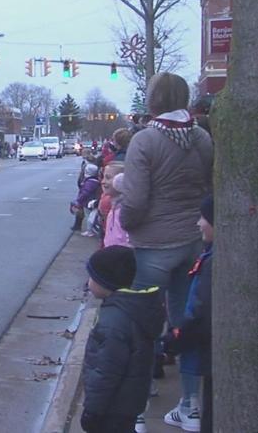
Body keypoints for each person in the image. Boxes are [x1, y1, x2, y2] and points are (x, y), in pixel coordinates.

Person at [120, 72, 213, 429]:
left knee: (143, 327)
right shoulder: (202, 137)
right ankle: (189, 406)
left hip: (152, 245)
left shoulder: (145, 141)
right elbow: (206, 185)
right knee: (185, 324)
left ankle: (139, 410)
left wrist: (128, 224)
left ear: (154, 99)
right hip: (191, 241)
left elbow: (136, 199)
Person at [80, 246, 163, 433]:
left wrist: (92, 411)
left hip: (111, 408)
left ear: (104, 282)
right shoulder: (133, 311)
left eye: (92, 276)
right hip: (129, 403)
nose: (88, 281)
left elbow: (105, 371)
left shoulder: (112, 322)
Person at [161, 196, 214, 433]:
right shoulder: (208, 255)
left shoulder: (210, 263)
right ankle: (189, 405)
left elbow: (199, 310)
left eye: (204, 218)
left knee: (191, 351)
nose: (199, 223)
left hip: (198, 337)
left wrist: (176, 338)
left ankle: (190, 406)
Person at [103, 174, 131, 248]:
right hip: (112, 247)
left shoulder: (123, 209)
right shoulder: (115, 205)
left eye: (108, 177)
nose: (103, 181)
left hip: (120, 250)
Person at [72, 164, 100, 234]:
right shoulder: (94, 181)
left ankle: (90, 231)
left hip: (88, 201)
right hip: (90, 201)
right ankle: (91, 230)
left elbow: (85, 193)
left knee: (90, 217)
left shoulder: (90, 182)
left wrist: (79, 200)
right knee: (91, 216)